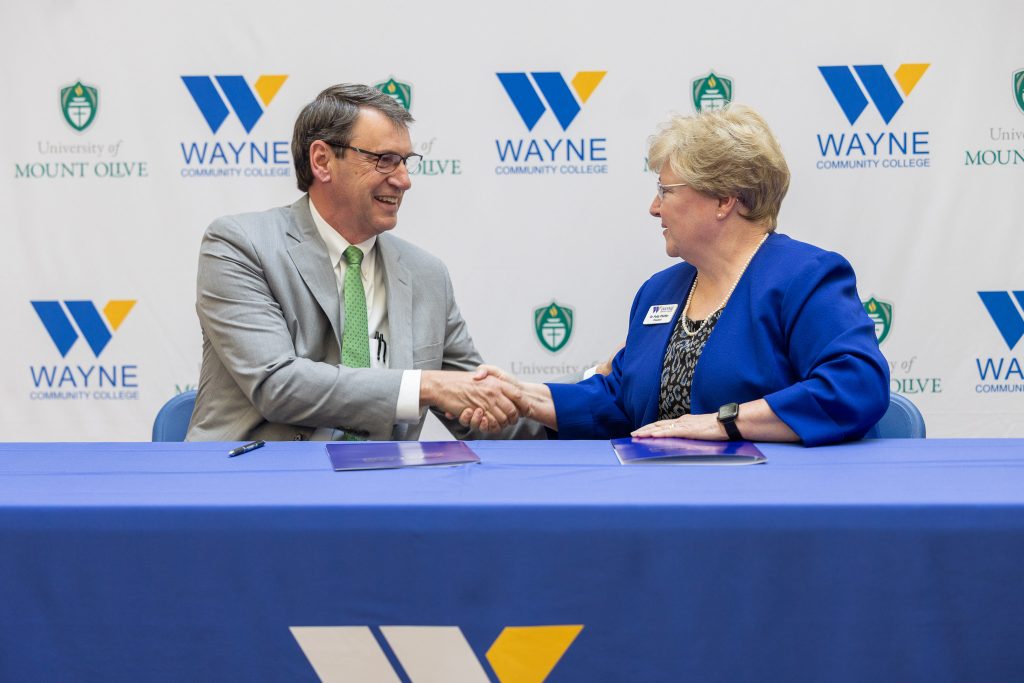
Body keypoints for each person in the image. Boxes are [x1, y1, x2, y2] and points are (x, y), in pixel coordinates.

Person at [468, 105, 889, 447]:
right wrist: (524, 397)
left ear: (724, 199)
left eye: (666, 191)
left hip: (767, 503)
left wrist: (724, 423)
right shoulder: (660, 291)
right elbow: (618, 401)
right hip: (664, 504)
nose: (655, 207)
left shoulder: (804, 277)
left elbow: (855, 385)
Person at [187, 84, 532, 442]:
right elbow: (278, 385)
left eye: (406, 161)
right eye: (385, 160)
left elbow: (480, 407)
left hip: (383, 489)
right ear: (322, 161)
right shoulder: (240, 244)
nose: (404, 180)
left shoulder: (427, 275)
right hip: (261, 485)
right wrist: (425, 385)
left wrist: (588, 395)